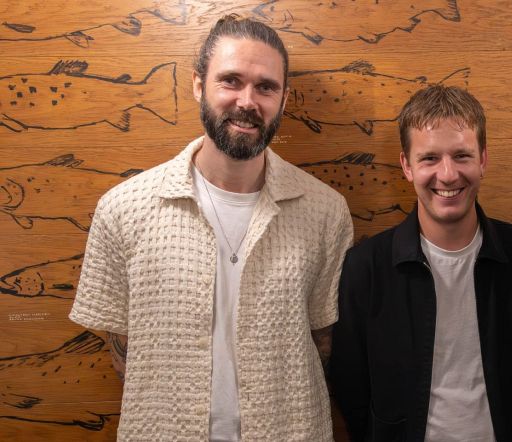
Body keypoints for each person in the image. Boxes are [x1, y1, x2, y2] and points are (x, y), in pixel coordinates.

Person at [69, 15, 352, 441]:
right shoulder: (124, 208)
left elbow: (322, 336)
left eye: (266, 87)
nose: (247, 101)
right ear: (199, 85)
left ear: (284, 99)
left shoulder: (325, 211)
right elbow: (123, 345)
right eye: (231, 81)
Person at [330, 85, 512, 441]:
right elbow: (350, 379)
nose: (447, 175)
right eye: (429, 158)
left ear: (483, 160)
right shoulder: (367, 266)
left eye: (462, 156)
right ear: (407, 166)